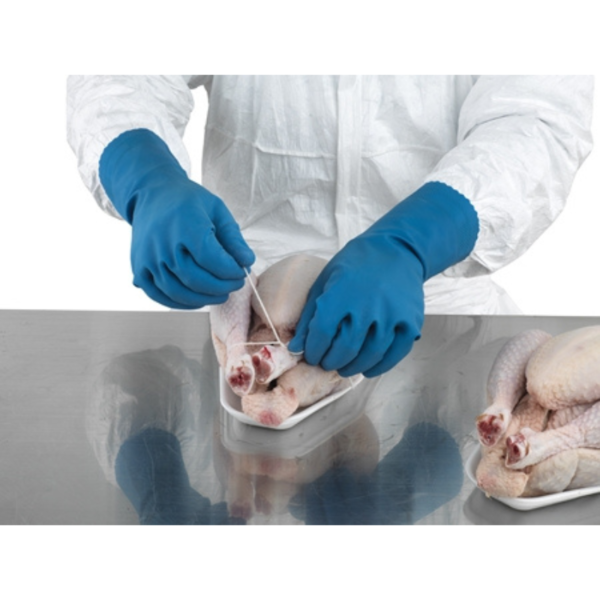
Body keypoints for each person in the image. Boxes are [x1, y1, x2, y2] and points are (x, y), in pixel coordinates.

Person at [67, 76, 593, 377]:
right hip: (245, 308)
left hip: (438, 307)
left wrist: (415, 241)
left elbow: (536, 118)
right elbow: (122, 71)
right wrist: (146, 176)